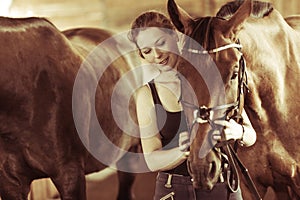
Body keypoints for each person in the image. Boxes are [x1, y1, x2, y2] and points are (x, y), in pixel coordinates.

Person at [128, 10, 257, 200]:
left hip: (223, 184)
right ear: (142, 56)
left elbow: (251, 135)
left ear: (176, 37)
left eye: (161, 43)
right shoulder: (146, 95)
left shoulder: (210, 78)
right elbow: (151, 159)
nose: (157, 54)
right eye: (147, 51)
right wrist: (183, 151)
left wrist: (238, 132)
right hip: (174, 190)